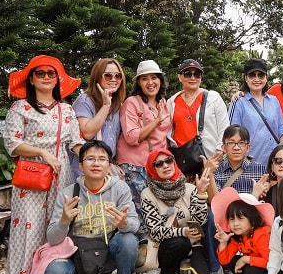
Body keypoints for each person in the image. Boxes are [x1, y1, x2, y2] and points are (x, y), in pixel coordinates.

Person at [0, 55, 84, 274]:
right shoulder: (20, 108)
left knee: (58, 229)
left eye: (51, 73)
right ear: (31, 79)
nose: (46, 77)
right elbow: (12, 144)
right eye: (40, 73)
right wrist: (43, 153)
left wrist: (96, 159)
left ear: (58, 79)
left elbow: (76, 142)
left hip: (62, 177)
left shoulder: (66, 110)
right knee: (28, 231)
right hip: (32, 178)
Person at [43, 141, 144, 274]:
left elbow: (134, 225)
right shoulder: (68, 194)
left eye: (102, 159)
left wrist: (123, 223)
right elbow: (52, 239)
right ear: (81, 166)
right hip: (79, 253)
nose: (96, 163)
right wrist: (64, 221)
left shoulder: (120, 188)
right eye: (90, 159)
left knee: (128, 240)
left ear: (109, 165)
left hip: (108, 246)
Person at [141, 148, 212, 274]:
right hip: (164, 247)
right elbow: (154, 231)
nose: (165, 165)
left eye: (168, 160)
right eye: (158, 164)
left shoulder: (190, 188)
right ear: (152, 169)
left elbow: (201, 220)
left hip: (192, 245)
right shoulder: (147, 194)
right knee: (180, 242)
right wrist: (182, 232)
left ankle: (178, 270)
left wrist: (200, 194)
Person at [117, 60, 172, 212]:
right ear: (139, 83)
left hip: (157, 166)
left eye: (154, 77)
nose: (150, 82)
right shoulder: (132, 103)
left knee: (159, 209)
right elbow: (132, 137)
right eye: (144, 78)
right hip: (134, 166)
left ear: (160, 80)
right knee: (142, 210)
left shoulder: (164, 103)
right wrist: (156, 121)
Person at [213, 187, 275, 274]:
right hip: (261, 269)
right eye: (231, 219)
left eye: (240, 219)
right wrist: (223, 242)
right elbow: (224, 261)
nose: (235, 224)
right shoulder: (239, 237)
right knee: (233, 261)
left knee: (251, 270)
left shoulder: (262, 234)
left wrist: (246, 259)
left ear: (252, 219)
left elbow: (271, 262)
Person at [166, 58, 229, 176]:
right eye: (187, 74)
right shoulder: (171, 102)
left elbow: (224, 127)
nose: (192, 77)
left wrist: (220, 151)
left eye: (197, 74)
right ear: (179, 77)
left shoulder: (213, 98)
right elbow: (168, 132)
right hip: (183, 164)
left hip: (210, 161)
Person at [70, 58, 127, 177]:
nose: (113, 79)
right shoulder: (84, 100)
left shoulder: (118, 105)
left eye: (118, 76)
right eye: (107, 76)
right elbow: (87, 132)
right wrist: (105, 106)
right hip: (85, 171)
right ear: (97, 77)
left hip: (107, 169)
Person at [228, 58, 283, 165]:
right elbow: (232, 135)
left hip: (275, 162)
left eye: (260, 75)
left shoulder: (274, 101)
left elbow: (281, 130)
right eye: (252, 75)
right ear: (246, 78)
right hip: (249, 163)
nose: (257, 79)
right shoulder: (238, 103)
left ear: (266, 78)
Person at [213, 124, 268, 195]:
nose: (236, 148)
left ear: (248, 148)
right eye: (231, 143)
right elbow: (214, 200)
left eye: (241, 143)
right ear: (224, 148)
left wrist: (267, 185)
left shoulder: (261, 170)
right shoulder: (216, 171)